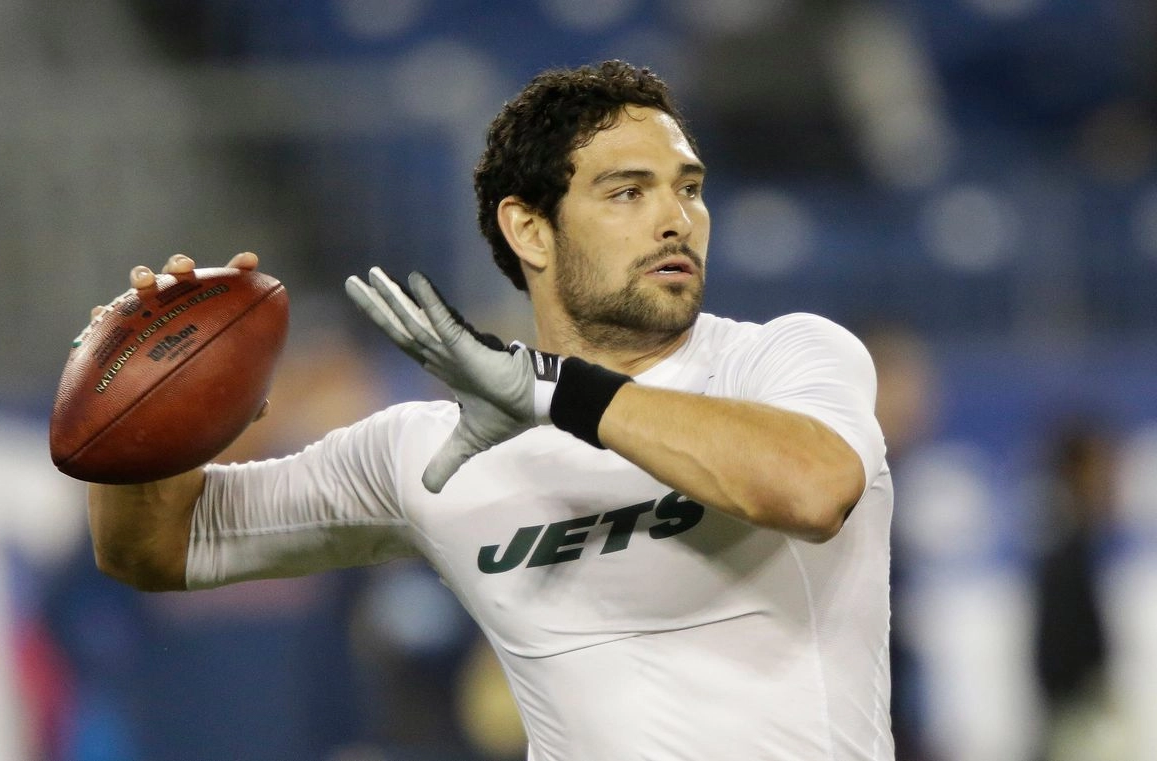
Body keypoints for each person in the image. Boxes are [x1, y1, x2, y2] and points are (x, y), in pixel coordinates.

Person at [87, 60, 893, 760]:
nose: (676, 219)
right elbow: (155, 546)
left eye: (689, 189)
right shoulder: (424, 455)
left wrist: (552, 390)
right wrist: (136, 402)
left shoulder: (782, 359)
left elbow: (811, 487)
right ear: (529, 230)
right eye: (628, 192)